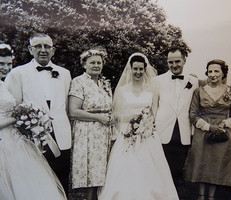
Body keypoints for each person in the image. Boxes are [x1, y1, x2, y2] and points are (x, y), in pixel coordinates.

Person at [98, 52, 179, 200]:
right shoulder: (122, 90)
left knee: (150, 168)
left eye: (141, 69)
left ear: (144, 69)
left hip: (148, 135)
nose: (138, 72)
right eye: (135, 69)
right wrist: (130, 122)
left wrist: (146, 125)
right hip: (127, 135)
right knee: (126, 169)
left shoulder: (151, 89)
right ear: (130, 69)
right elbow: (115, 114)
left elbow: (154, 113)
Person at [5, 33, 72, 195]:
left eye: (47, 46)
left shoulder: (64, 73)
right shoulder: (18, 73)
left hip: (61, 134)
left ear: (53, 50)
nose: (43, 50)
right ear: (30, 49)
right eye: (38, 46)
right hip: (33, 137)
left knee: (62, 177)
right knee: (37, 181)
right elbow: (13, 108)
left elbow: (65, 105)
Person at [184, 59, 231, 200]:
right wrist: (209, 127)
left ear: (223, 73)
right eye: (210, 71)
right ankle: (201, 195)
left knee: (217, 163)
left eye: (216, 71)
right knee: (202, 162)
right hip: (203, 131)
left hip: (222, 132)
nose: (213, 74)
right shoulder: (199, 91)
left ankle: (212, 196)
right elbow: (193, 114)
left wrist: (225, 124)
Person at [152, 47, 199, 195]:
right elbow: (153, 107)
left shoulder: (194, 81)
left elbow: (195, 107)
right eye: (170, 62)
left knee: (178, 170)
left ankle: (174, 196)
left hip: (183, 131)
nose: (174, 65)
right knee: (160, 168)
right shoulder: (156, 81)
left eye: (177, 61)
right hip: (162, 131)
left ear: (184, 60)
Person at [68, 49, 113, 200]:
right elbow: (73, 111)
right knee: (92, 172)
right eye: (92, 62)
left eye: (99, 62)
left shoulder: (104, 83)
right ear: (84, 65)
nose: (96, 65)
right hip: (88, 131)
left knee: (102, 171)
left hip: (104, 132)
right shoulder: (78, 82)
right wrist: (100, 118)